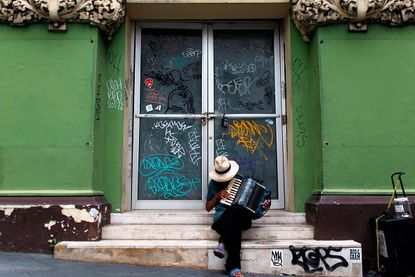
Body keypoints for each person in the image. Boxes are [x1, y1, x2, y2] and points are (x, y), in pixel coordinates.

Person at [205, 156, 271, 277]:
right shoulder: (213, 184)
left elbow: (255, 209)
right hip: (222, 220)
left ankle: (223, 242)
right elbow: (208, 207)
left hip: (243, 219)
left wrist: (265, 204)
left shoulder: (241, 179)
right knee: (234, 224)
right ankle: (233, 267)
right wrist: (218, 196)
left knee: (236, 208)